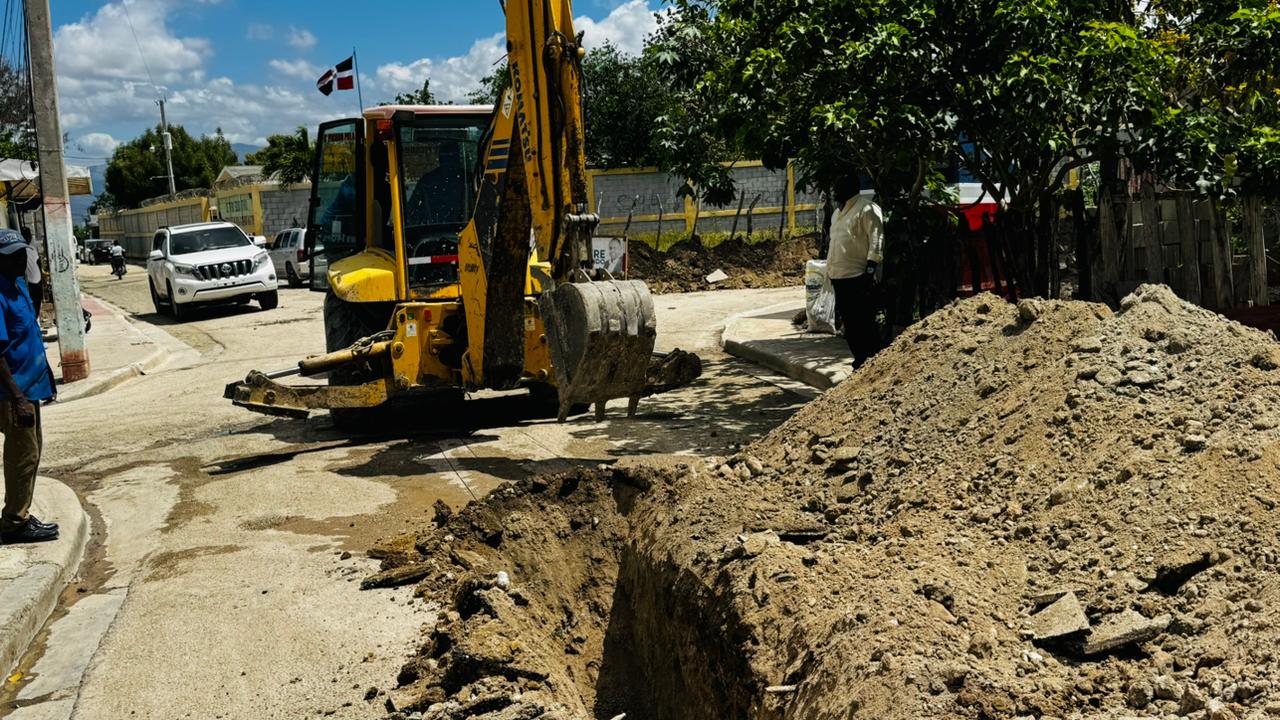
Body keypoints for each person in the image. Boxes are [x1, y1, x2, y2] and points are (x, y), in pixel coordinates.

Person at [0, 229, 58, 544]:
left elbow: (30, 332)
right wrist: (17, 398)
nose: (20, 260)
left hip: (30, 387)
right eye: (12, 256)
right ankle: (13, 522)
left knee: (33, 452)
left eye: (22, 254)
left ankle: (20, 514)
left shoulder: (18, 285)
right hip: (13, 393)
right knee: (22, 456)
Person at [826, 175, 885, 369]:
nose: (834, 192)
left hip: (858, 277)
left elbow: (876, 240)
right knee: (850, 325)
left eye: (838, 188)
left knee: (864, 322)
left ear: (850, 188)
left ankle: (872, 362)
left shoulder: (867, 209)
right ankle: (860, 361)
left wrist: (870, 271)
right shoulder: (837, 213)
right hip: (839, 277)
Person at [19, 228, 41, 309]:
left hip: (35, 282)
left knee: (35, 304)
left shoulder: (32, 249)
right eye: (27, 236)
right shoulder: (22, 250)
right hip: (30, 283)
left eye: (29, 236)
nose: (29, 238)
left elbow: (38, 263)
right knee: (33, 304)